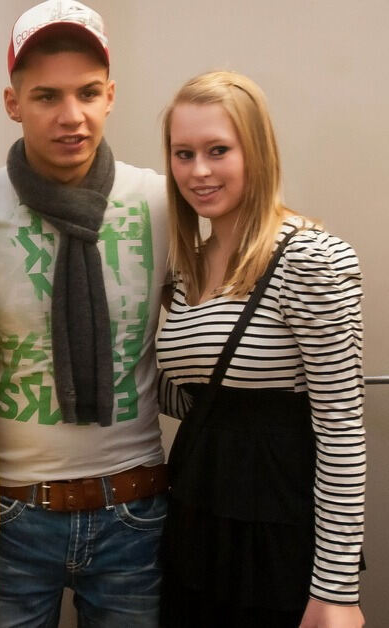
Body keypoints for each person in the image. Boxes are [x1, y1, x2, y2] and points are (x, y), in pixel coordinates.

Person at [0, 0, 170, 627]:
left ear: (111, 95)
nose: (71, 116)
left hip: (134, 511)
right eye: (47, 96)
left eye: (86, 93)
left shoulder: (161, 202)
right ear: (12, 103)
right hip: (14, 517)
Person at [156, 70, 365, 627]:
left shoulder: (313, 259)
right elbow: (200, 402)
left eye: (217, 150)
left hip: (276, 528)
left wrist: (337, 590)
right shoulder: (185, 268)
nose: (197, 171)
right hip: (196, 513)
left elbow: (341, 425)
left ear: (257, 153)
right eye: (183, 153)